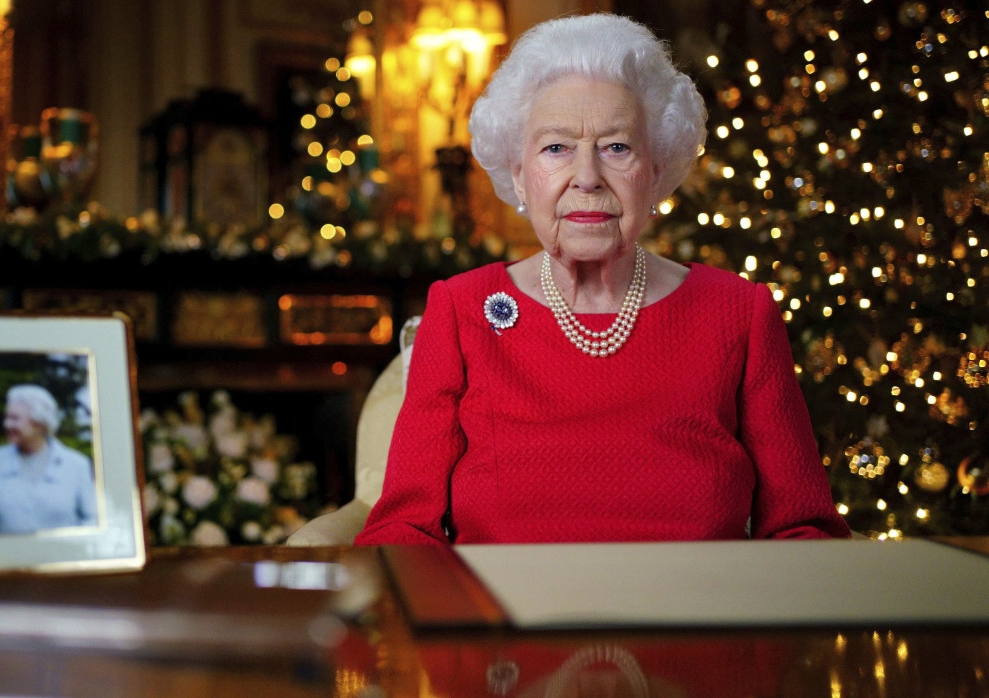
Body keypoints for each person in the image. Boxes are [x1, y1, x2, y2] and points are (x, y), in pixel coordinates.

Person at [355, 14, 850, 545]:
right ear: (519, 174)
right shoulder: (462, 309)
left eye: (617, 147)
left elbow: (803, 529)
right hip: (505, 622)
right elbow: (402, 530)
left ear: (656, 171)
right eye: (556, 148)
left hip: (694, 621)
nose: (587, 177)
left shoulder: (737, 312)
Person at [0, 384, 98, 534]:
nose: (6, 424)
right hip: (9, 556)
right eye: (6, 417)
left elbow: (92, 519)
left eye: (14, 418)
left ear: (39, 424)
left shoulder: (76, 464)